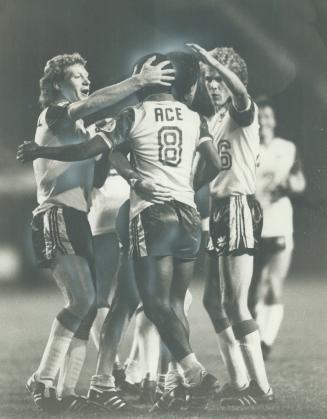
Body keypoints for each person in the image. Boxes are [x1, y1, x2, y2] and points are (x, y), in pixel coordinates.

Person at [17, 51, 222, 412]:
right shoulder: (54, 113)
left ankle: (69, 390)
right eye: (78, 75)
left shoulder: (93, 124)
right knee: (87, 301)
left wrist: (110, 159)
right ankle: (45, 381)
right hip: (57, 214)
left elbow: (95, 174)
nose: (86, 80)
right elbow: (93, 106)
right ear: (57, 83)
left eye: (86, 74)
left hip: (83, 216)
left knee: (92, 304)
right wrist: (137, 82)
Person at [187, 43, 274, 406]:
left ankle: (261, 387)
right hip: (219, 210)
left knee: (237, 305)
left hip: (238, 206)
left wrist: (211, 60)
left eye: (216, 77)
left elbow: (240, 91)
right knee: (212, 301)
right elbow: (203, 173)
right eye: (207, 78)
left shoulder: (241, 110)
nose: (212, 84)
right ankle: (239, 380)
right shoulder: (216, 118)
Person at [250, 99, 306, 359]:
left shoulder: (287, 148)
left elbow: (299, 181)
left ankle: (265, 341)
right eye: (259, 116)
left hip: (280, 222)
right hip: (252, 224)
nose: (264, 120)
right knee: (254, 289)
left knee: (274, 284)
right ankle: (256, 336)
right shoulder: (247, 146)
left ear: (275, 120)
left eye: (268, 116)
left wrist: (288, 187)